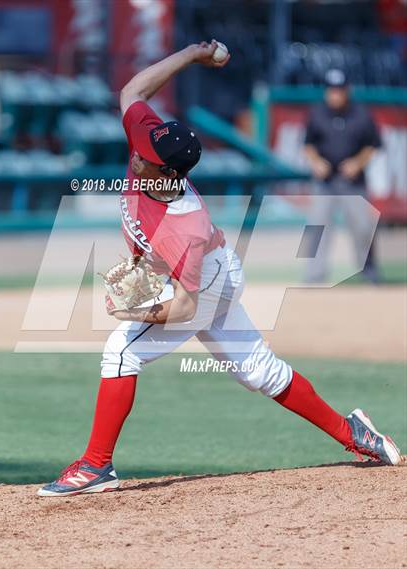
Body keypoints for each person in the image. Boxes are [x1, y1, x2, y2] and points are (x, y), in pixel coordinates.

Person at [37, 42, 401, 497]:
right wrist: (190, 54)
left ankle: (96, 466)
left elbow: (186, 304)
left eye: (147, 157)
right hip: (215, 270)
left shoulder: (183, 222)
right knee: (259, 372)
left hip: (202, 282)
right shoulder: (147, 142)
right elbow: (133, 91)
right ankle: (355, 433)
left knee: (121, 352)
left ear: (170, 173)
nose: (136, 154)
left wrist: (138, 312)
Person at [304, 68, 382, 283]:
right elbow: (308, 144)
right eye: (331, 90)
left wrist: (358, 162)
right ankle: (314, 275)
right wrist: (316, 162)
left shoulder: (361, 114)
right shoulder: (317, 113)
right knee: (316, 227)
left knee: (363, 228)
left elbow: (373, 145)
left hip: (352, 182)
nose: (335, 94)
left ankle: (369, 273)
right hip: (324, 182)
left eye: (339, 90)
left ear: (347, 90)